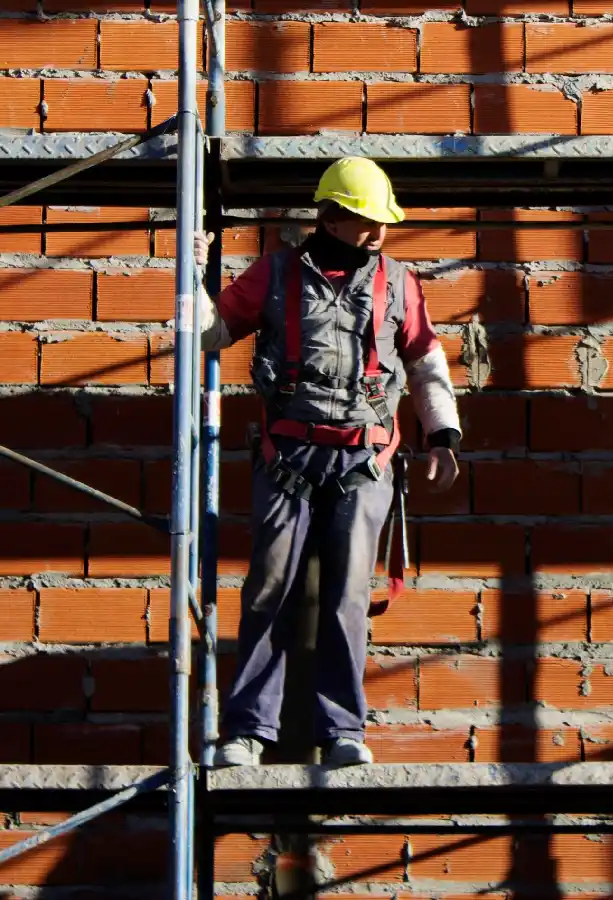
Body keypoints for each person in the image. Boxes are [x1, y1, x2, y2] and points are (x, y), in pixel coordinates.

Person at [193, 157, 461, 767]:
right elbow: (210, 334)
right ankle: (245, 732)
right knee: (270, 591)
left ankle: (342, 731)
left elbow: (424, 363)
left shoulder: (399, 282)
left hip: (366, 461)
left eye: (382, 222)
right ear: (331, 217)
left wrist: (443, 436)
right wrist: (188, 270)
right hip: (287, 455)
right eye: (367, 221)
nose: (379, 234)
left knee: (348, 596)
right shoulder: (275, 274)